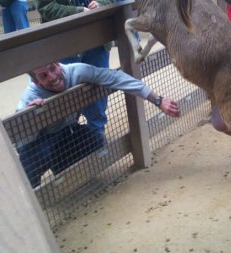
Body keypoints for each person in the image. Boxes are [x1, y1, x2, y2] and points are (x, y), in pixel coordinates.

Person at [17, 62, 180, 188]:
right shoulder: (30, 96)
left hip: (67, 132)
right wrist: (30, 119)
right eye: (44, 76)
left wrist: (157, 100)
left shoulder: (76, 71)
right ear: (36, 82)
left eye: (53, 68)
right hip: (39, 141)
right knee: (30, 163)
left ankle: (62, 169)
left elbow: (117, 78)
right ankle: (34, 196)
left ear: (58, 64)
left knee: (96, 141)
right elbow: (19, 141)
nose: (52, 77)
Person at [35, 0, 118, 153]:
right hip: (64, 41)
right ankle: (66, 150)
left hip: (96, 38)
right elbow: (45, 6)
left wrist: (100, 3)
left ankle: (97, 139)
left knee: (97, 91)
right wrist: (78, 11)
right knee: (65, 100)